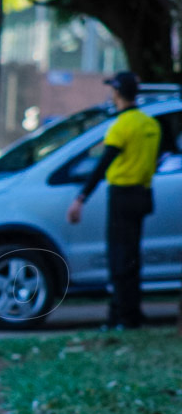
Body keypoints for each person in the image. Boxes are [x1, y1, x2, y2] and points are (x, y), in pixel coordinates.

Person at [66, 71, 160, 330]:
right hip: (143, 195)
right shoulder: (150, 124)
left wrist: (80, 198)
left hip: (122, 197)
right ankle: (130, 313)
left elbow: (101, 166)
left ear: (118, 92)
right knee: (132, 257)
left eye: (113, 89)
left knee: (119, 259)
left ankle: (123, 317)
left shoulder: (121, 126)